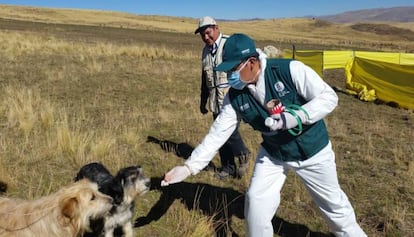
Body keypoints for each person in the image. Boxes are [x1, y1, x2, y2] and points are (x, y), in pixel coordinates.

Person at [161, 33, 367, 237]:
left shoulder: (289, 70)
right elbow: (217, 134)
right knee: (256, 202)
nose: (230, 76)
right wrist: (189, 167)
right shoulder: (234, 97)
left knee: (334, 208)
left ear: (251, 62)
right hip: (273, 154)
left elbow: (328, 97)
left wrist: (298, 116)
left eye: (234, 69)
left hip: (313, 152)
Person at [194, 16, 250, 179]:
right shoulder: (205, 51)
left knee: (228, 130)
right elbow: (204, 79)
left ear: (216, 28)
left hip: (231, 97)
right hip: (215, 100)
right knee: (219, 134)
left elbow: (245, 69)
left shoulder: (229, 44)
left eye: (208, 33)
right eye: (203, 35)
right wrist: (203, 100)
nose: (206, 37)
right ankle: (228, 167)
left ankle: (244, 154)